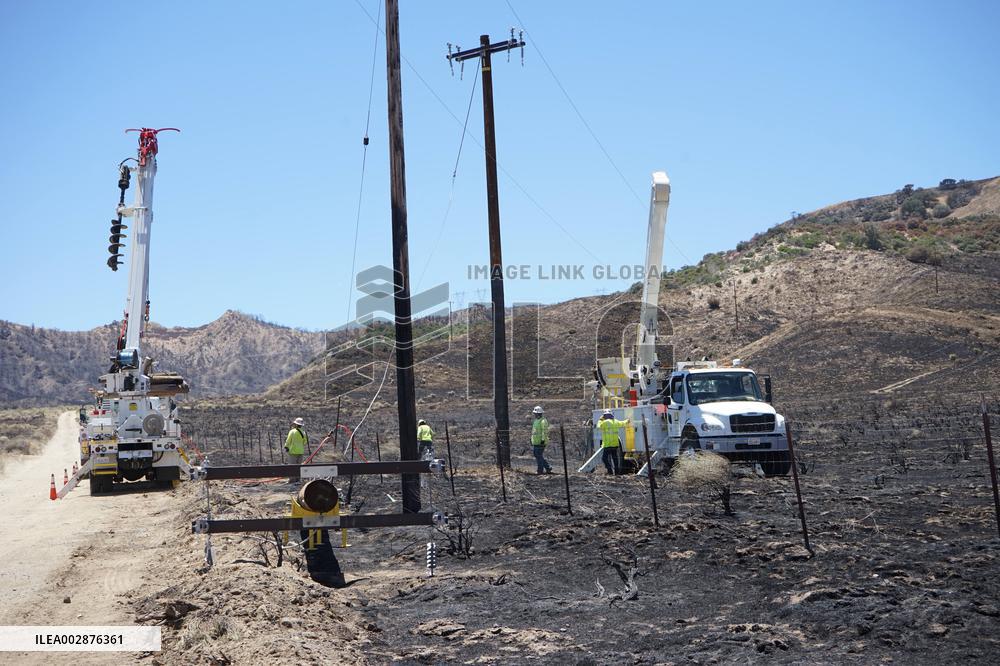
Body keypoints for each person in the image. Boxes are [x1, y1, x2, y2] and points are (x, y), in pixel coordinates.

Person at [598, 410, 630, 475]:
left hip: (608, 445)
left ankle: (610, 471)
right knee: (615, 459)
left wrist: (600, 420)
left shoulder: (605, 422)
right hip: (615, 444)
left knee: (604, 458)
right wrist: (627, 421)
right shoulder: (615, 422)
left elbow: (599, 426)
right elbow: (623, 423)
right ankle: (617, 473)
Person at [285, 417, 308, 483]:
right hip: (300, 451)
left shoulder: (292, 431)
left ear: (295, 424)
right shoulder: (303, 432)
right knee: (299, 466)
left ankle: (292, 480)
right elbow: (305, 442)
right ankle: (298, 480)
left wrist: (286, 446)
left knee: (292, 466)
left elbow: (288, 440)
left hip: (292, 451)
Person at [531, 405, 552, 475]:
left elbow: (544, 431)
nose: (534, 414)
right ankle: (548, 467)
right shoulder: (536, 420)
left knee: (538, 455)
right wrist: (531, 439)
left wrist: (542, 440)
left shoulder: (543, 421)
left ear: (539, 413)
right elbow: (534, 431)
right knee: (538, 455)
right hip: (536, 441)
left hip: (541, 442)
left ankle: (540, 470)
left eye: (535, 413)